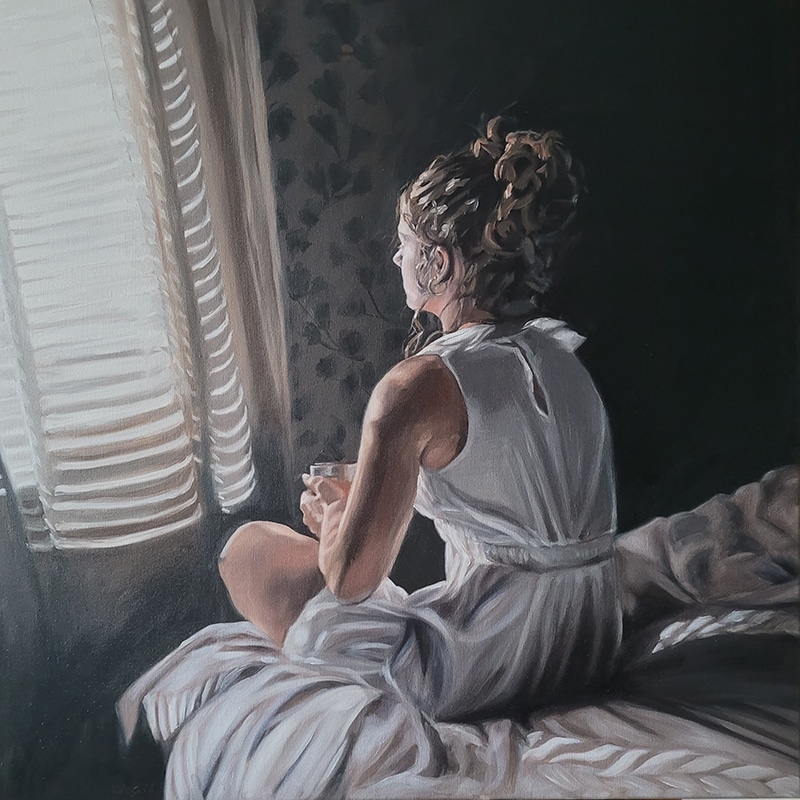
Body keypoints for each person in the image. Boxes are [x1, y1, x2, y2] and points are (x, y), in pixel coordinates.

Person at [218, 118, 621, 721]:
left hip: (498, 657)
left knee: (247, 553)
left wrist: (334, 520)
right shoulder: (560, 357)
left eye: (405, 242)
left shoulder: (414, 387)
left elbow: (350, 580)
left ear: (439, 262)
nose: (396, 256)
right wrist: (369, 483)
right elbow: (504, 480)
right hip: (592, 637)